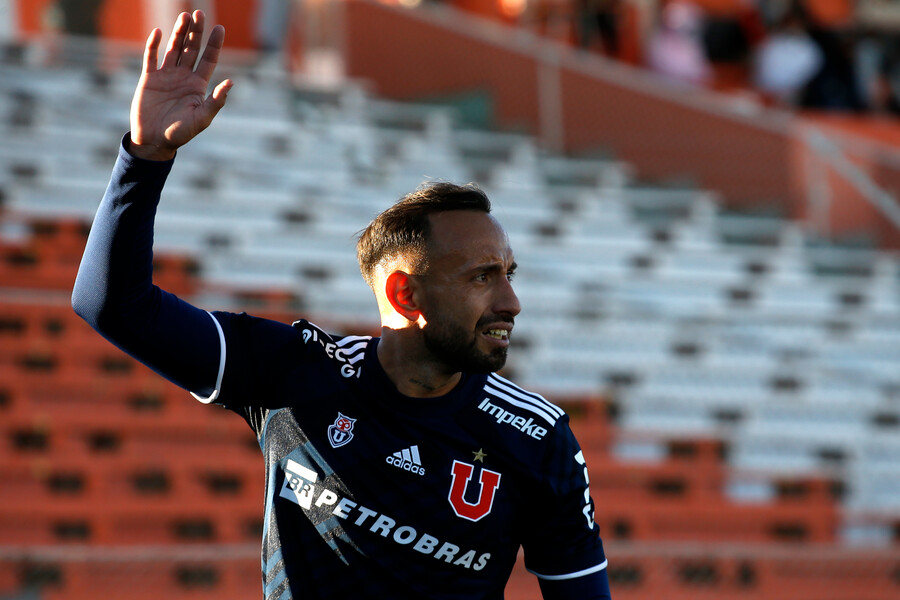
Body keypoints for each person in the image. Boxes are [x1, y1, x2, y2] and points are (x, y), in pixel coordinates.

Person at [71, 10, 610, 600]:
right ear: (405, 295)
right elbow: (112, 306)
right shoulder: (295, 372)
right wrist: (144, 158)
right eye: (483, 277)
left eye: (508, 274)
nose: (511, 301)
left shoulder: (537, 437)